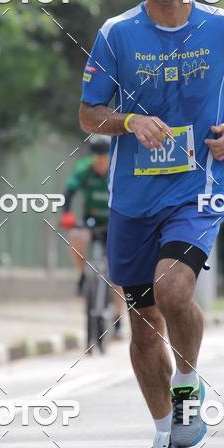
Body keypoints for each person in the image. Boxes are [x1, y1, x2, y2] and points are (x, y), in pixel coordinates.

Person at [78, 0, 224, 448]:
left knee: (173, 288)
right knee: (142, 324)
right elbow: (89, 115)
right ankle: (166, 438)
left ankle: (188, 383)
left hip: (197, 187)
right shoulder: (116, 35)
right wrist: (131, 120)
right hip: (132, 199)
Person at [59, 135, 125, 338]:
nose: (101, 165)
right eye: (97, 160)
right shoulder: (84, 169)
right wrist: (67, 214)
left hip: (116, 222)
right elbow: (69, 191)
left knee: (117, 274)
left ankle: (118, 316)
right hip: (92, 220)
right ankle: (84, 274)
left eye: (104, 160)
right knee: (76, 236)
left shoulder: (120, 169)